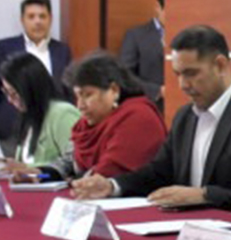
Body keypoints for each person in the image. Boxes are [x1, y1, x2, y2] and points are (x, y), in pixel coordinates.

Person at [72, 25, 231, 212]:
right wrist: (112, 186)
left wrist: (204, 195)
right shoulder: (185, 117)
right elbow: (158, 172)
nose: (182, 85)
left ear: (220, 65)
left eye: (190, 73)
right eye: (178, 74)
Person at [35, 52, 164, 180]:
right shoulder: (87, 123)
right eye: (78, 96)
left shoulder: (138, 116)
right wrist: (38, 175)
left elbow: (108, 172)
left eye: (87, 95)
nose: (80, 105)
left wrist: (77, 182)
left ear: (114, 90)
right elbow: (67, 165)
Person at [0, 0, 73, 155]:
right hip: (11, 129)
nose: (37, 21)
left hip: (49, 130)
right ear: (22, 20)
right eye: (31, 16)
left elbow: (68, 90)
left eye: (42, 16)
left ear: (50, 19)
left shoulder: (61, 50)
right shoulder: (5, 47)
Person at [0, 54, 80, 171]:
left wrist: (28, 169)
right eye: (6, 92)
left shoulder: (63, 114)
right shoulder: (28, 116)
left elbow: (75, 165)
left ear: (31, 88)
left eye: (14, 93)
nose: (9, 100)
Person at [119, 0, 166, 113]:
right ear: (158, 7)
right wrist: (157, 91)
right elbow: (125, 76)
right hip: (151, 108)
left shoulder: (188, 34)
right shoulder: (136, 36)